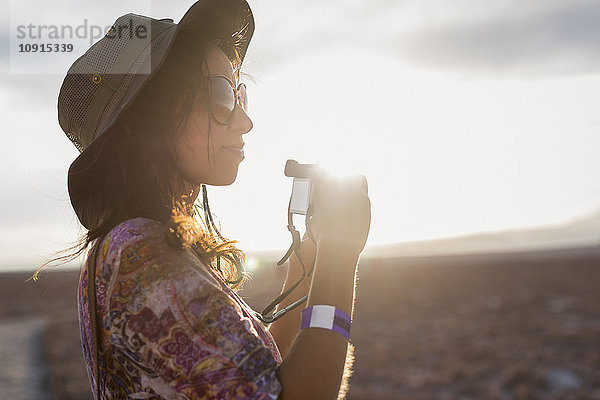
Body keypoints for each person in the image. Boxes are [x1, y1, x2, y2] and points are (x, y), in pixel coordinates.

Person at [51, 0, 371, 398]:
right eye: (220, 95)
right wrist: (340, 256)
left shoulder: (131, 247)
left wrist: (309, 268)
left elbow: (251, 382)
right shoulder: (139, 256)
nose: (245, 121)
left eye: (239, 93)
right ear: (150, 118)